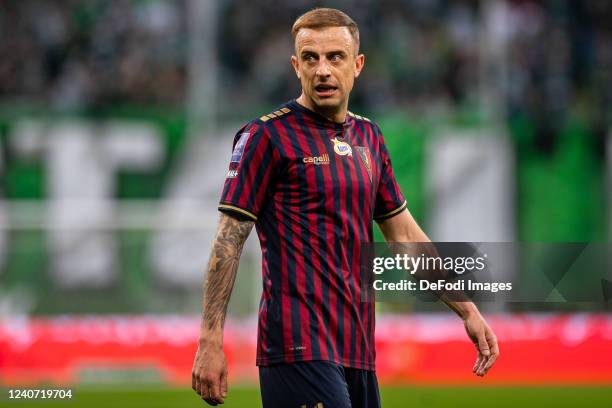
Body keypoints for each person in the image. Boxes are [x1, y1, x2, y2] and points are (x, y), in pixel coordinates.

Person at [192, 7, 499, 408]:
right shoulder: (266, 136)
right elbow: (228, 240)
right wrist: (210, 340)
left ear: (357, 65)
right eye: (310, 58)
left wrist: (468, 311)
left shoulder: (369, 137)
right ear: (295, 66)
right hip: (297, 348)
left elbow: (404, 236)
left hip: (357, 350)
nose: (322, 70)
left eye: (335, 57)